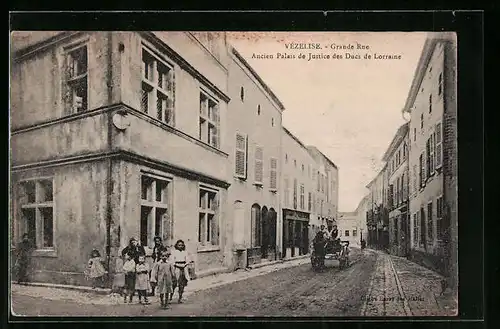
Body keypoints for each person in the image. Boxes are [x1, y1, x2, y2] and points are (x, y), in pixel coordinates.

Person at [171, 239, 192, 303]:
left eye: (181, 245)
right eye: (179, 245)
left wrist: (185, 264)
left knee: (182, 284)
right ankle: (170, 297)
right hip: (176, 268)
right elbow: (172, 260)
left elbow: (188, 260)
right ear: (176, 245)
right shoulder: (174, 252)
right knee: (174, 283)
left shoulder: (185, 252)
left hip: (183, 268)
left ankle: (180, 298)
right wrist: (176, 265)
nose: (180, 246)